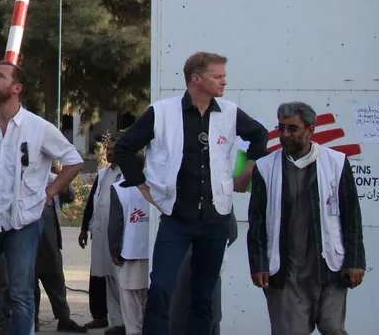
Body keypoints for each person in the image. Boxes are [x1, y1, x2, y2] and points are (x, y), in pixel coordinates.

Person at [112, 51, 268, 335]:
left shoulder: (229, 112)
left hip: (216, 217)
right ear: (196, 78)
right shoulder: (162, 111)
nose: (224, 82)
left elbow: (260, 134)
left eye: (224, 76)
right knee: (160, 287)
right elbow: (124, 147)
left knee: (203, 294)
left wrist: (246, 171)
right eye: (217, 76)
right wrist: (142, 185)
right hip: (177, 216)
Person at [0, 62, 85, 335]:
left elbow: (74, 161)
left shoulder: (39, 128)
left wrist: (50, 192)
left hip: (23, 225)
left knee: (21, 295)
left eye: (0, 76)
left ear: (17, 88)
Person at [248, 102, 365, 335]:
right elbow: (257, 221)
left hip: (329, 266)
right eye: (281, 128)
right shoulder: (265, 167)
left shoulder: (336, 162)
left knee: (333, 328)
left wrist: (355, 261)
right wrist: (259, 264)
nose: (285, 135)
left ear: (310, 130)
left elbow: (352, 215)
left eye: (293, 129)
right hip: (286, 270)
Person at [0, 159, 87, 334]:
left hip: (51, 241)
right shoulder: (23, 178)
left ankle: (64, 318)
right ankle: (32, 320)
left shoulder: (54, 178)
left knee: (56, 280)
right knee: (29, 283)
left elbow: (69, 196)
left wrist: (60, 172)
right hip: (29, 241)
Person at [80, 135, 124, 335]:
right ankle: (100, 316)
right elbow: (91, 202)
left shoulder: (127, 175)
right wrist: (82, 229)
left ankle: (122, 320)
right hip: (99, 231)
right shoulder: (103, 173)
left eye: (114, 149)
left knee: (117, 277)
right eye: (108, 148)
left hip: (118, 235)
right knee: (98, 275)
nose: (110, 152)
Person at [108, 153, 151, 335]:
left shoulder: (119, 189)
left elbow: (116, 223)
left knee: (129, 300)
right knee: (148, 297)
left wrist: (114, 251)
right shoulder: (154, 186)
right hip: (152, 251)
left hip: (129, 251)